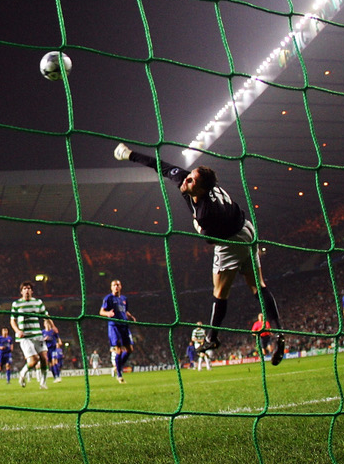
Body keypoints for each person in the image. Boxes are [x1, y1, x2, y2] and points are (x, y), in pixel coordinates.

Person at [115, 143, 285, 366]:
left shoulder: (206, 213)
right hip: (246, 229)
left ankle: (212, 338)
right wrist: (129, 155)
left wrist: (197, 226)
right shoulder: (186, 181)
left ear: (202, 190)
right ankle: (279, 334)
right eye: (189, 176)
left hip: (230, 239)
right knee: (258, 286)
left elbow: (209, 237)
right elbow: (160, 165)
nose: (186, 180)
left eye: (192, 180)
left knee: (220, 291)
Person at [12, 281, 51, 389]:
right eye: (24, 288)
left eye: (29, 288)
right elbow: (12, 321)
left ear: (32, 291)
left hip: (37, 334)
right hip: (25, 336)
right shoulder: (16, 304)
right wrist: (17, 331)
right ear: (21, 291)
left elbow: (45, 316)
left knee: (44, 358)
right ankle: (22, 373)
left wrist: (53, 326)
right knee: (34, 360)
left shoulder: (38, 302)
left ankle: (43, 383)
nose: (27, 290)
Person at [99, 279, 135, 383]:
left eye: (118, 285)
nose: (116, 287)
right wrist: (108, 314)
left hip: (124, 325)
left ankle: (118, 367)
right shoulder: (108, 298)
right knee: (118, 349)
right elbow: (101, 311)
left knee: (129, 349)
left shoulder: (124, 299)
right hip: (114, 326)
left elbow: (124, 310)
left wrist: (130, 316)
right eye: (114, 285)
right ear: (111, 287)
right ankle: (119, 375)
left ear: (121, 287)